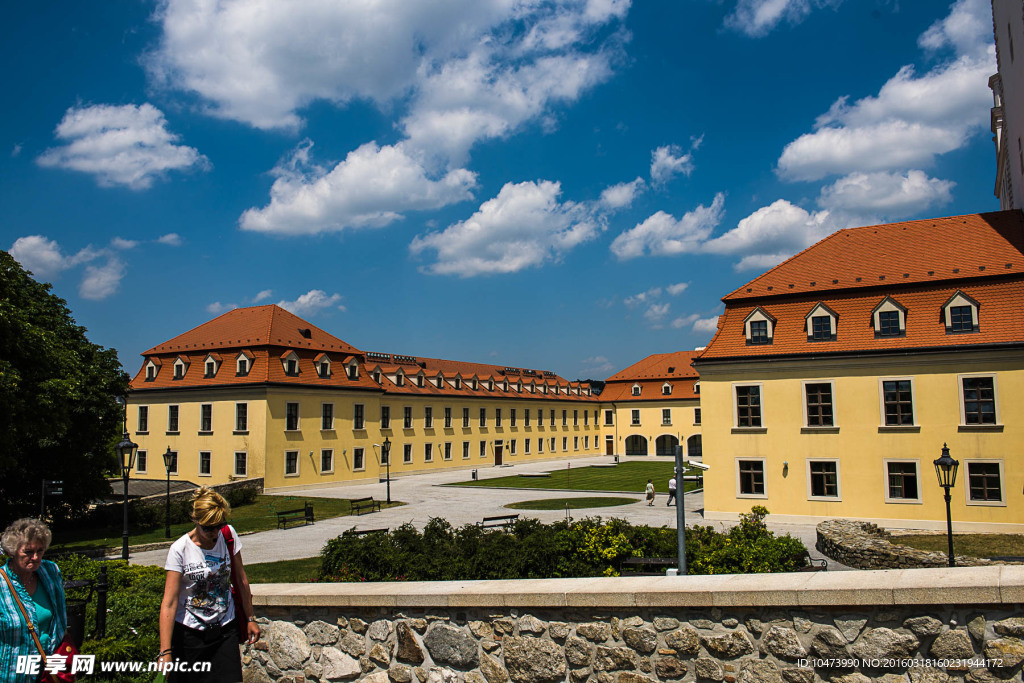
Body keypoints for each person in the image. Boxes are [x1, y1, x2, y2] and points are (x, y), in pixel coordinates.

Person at [158, 488, 260, 682]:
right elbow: (169, 603)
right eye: (208, 528)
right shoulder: (179, 550)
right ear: (195, 519)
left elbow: (241, 579)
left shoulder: (228, 535)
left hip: (224, 629)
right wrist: (165, 651)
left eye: (218, 526)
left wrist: (250, 618)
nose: (214, 533)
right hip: (190, 635)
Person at [0, 518, 68, 683]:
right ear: (12, 551)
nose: (35, 557)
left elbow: (59, 620)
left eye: (40, 550)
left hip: (47, 672)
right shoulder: (2, 585)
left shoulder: (50, 571)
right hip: (10, 674)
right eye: (28, 552)